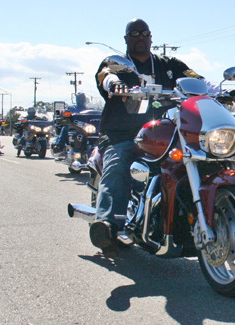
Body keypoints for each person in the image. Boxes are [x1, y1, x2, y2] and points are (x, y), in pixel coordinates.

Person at [90, 18, 227, 255]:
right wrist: (116, 85)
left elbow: (197, 80)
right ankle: (107, 226)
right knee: (118, 164)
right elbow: (105, 75)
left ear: (151, 37)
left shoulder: (168, 63)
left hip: (161, 131)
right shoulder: (116, 63)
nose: (140, 37)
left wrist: (222, 90)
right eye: (134, 33)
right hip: (121, 132)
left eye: (144, 33)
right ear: (126, 39)